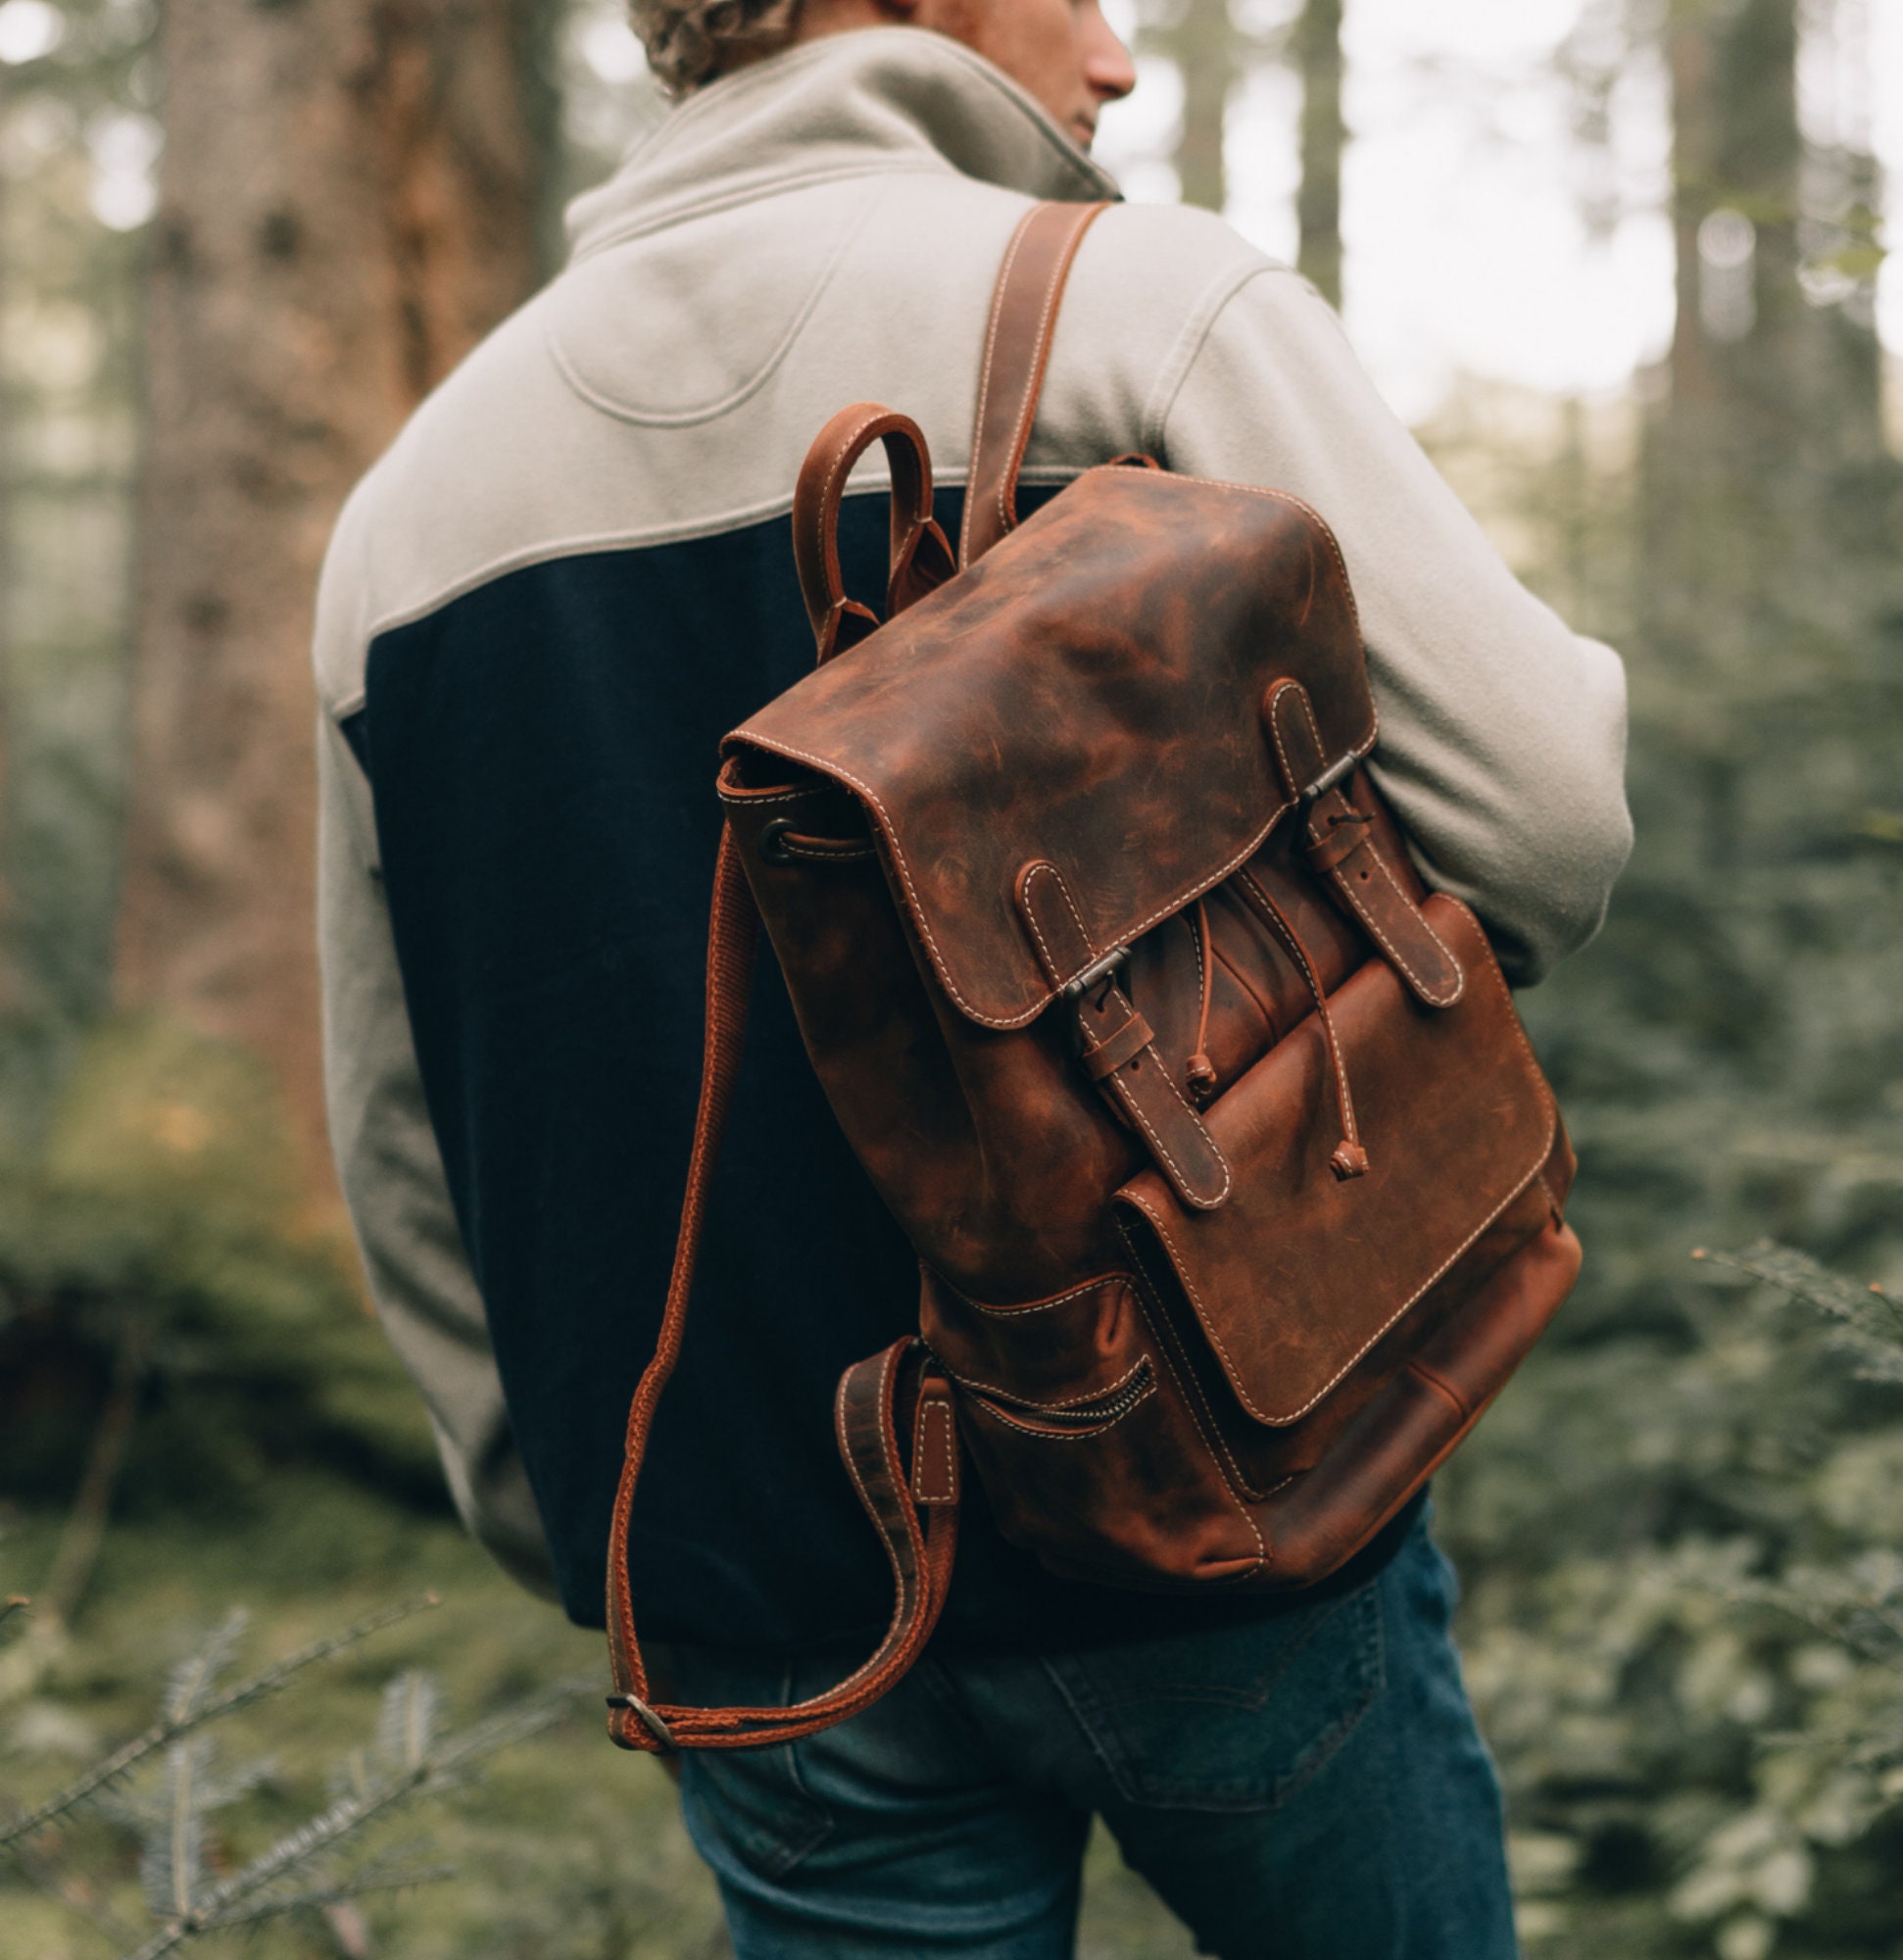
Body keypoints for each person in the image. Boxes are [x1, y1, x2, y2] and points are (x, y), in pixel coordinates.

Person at [312, 2, 1633, 1952]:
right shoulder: (1138, 309)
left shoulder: (406, 514)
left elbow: (405, 1124)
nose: (1112, 57)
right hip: (1215, 1485)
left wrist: (598, 1522)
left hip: (761, 1591)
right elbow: (1540, 817)